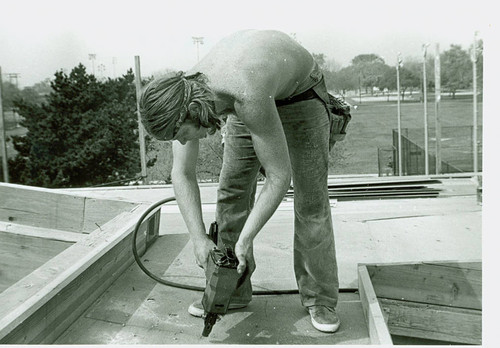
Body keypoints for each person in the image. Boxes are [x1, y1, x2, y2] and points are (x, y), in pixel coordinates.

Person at [139, 29, 340, 333]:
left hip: (300, 95)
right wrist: (198, 239)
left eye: (181, 135)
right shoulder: (184, 95)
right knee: (232, 191)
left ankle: (320, 298)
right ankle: (231, 289)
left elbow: (278, 176)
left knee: (310, 200)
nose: (181, 141)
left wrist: (245, 239)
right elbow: (181, 173)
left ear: (195, 112)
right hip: (251, 92)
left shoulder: (243, 92)